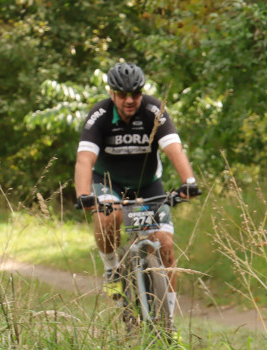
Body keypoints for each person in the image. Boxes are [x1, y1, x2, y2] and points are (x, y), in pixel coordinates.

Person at [74, 61, 200, 334]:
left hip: (148, 186)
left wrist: (188, 182)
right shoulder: (100, 114)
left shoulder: (154, 110)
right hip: (108, 184)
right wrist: (84, 194)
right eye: (122, 95)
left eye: (136, 94)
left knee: (165, 247)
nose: (130, 100)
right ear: (112, 93)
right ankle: (111, 269)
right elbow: (85, 159)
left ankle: (169, 325)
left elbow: (174, 148)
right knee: (110, 216)